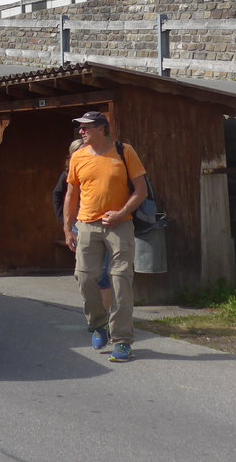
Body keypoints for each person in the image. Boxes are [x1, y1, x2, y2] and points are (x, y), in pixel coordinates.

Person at [62, 112, 146, 363]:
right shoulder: (78, 157)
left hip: (119, 226)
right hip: (86, 225)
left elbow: (141, 191)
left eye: (86, 128)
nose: (81, 132)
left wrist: (120, 214)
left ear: (101, 129)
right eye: (80, 128)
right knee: (85, 277)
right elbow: (70, 195)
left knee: (120, 280)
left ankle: (122, 341)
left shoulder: (124, 151)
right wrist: (68, 228)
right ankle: (98, 325)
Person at [52, 138, 112, 317]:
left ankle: (103, 317)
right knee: (85, 274)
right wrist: (66, 223)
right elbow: (58, 196)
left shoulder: (100, 167)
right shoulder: (68, 174)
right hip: (80, 226)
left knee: (103, 272)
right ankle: (95, 314)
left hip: (104, 225)